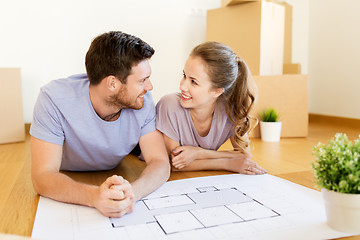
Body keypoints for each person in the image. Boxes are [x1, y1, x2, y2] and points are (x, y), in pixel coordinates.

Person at [30, 31, 170, 218]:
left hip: (115, 170)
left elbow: (160, 162)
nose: (150, 86)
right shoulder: (53, 99)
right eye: (143, 80)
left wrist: (132, 193)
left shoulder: (142, 100)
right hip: (69, 174)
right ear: (112, 83)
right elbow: (43, 176)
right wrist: (95, 196)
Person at [156, 41, 266, 174]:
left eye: (193, 82)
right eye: (184, 75)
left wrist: (198, 153)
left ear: (217, 91)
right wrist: (226, 163)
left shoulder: (230, 111)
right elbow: (175, 163)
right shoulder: (169, 105)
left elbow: (244, 155)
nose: (182, 86)